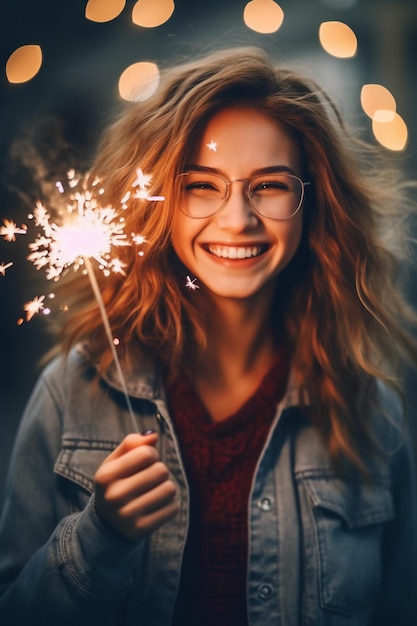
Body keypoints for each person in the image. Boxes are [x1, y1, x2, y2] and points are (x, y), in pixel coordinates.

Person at [0, 46, 416, 626]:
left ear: (312, 203)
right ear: (159, 200)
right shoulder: (70, 393)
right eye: (202, 185)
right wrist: (100, 540)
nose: (238, 219)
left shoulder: (374, 413)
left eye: (270, 186)